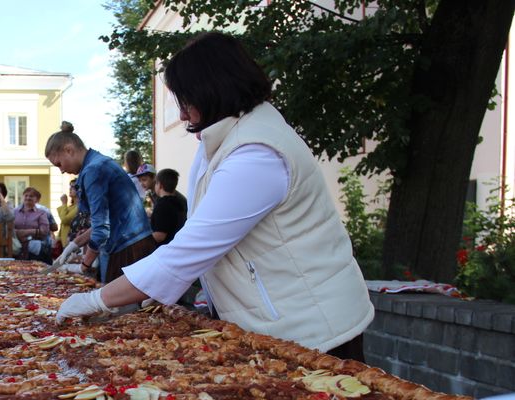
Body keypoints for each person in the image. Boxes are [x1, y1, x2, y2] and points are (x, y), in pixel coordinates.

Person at [56, 32, 373, 360]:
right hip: (279, 321)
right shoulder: (224, 138)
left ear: (212, 90)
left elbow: (190, 250)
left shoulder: (257, 152)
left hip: (313, 327)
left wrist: (97, 300)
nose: (181, 115)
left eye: (185, 100)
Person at [45, 121, 155, 283]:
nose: (61, 170)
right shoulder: (98, 162)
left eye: (59, 164)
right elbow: (105, 221)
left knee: (121, 306)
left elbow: (102, 229)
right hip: (135, 243)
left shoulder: (92, 170)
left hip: (129, 248)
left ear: (69, 150)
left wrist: (84, 265)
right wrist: (74, 245)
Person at [149, 168, 187, 245]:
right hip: (177, 245)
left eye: (156, 183)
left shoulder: (162, 205)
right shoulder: (179, 202)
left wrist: (142, 241)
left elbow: (160, 236)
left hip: (165, 250)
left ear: (160, 185)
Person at [13, 187, 50, 262]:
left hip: (34, 249)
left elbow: (45, 231)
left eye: (31, 196)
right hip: (16, 247)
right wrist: (17, 233)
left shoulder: (41, 213)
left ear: (37, 200)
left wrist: (25, 232)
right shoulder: (14, 212)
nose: (28, 198)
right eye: (26, 195)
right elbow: (9, 228)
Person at [56, 180, 79, 248]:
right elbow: (62, 225)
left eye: (73, 187)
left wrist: (64, 203)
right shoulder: (70, 207)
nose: (70, 189)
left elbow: (64, 220)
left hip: (73, 243)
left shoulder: (79, 206)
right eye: (70, 187)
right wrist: (58, 238)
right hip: (64, 243)